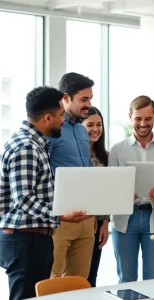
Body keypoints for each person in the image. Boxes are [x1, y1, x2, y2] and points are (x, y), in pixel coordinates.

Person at [0, 86, 90, 300]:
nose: (62, 120)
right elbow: (24, 199)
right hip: (26, 240)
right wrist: (60, 215)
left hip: (30, 239)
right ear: (48, 118)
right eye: (60, 115)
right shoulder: (27, 147)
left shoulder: (34, 144)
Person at [109, 95, 154, 283]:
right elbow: (110, 188)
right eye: (138, 118)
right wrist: (122, 196)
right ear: (130, 116)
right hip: (124, 220)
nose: (143, 123)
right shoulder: (117, 150)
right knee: (126, 279)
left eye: (148, 118)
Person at [49, 72, 96, 279]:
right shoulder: (52, 129)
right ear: (66, 98)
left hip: (86, 216)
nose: (88, 104)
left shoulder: (81, 130)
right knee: (52, 280)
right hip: (61, 218)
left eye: (90, 99)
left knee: (78, 282)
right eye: (83, 99)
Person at [82, 106, 110, 287]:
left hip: (99, 224)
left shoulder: (105, 156)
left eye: (99, 124)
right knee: (77, 277)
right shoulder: (75, 155)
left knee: (91, 278)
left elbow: (108, 192)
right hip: (81, 220)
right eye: (90, 124)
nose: (95, 129)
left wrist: (106, 221)